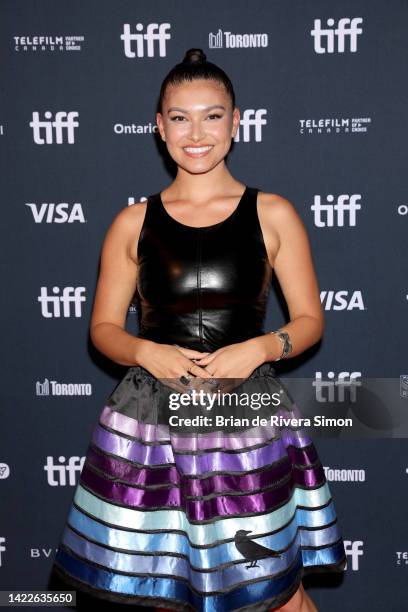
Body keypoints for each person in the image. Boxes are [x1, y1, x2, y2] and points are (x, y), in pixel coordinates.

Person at [49, 48, 346, 611]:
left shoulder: (273, 213)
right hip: (152, 423)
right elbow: (104, 329)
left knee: (277, 590)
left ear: (237, 122)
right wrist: (144, 351)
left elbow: (309, 321)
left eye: (212, 115)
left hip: (246, 419)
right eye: (180, 118)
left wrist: (261, 347)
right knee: (166, 590)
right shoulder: (131, 222)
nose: (196, 133)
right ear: (159, 128)